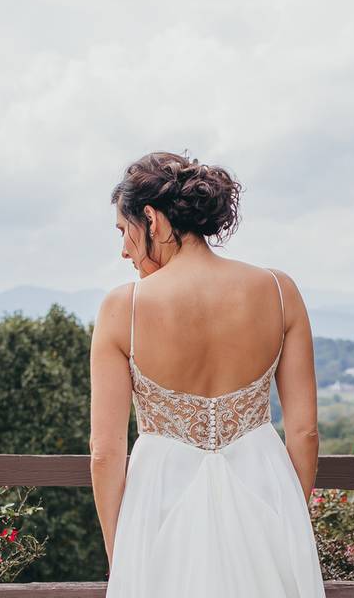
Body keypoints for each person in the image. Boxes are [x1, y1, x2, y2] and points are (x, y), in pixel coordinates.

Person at [89, 151, 326, 597]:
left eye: (124, 231)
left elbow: (105, 453)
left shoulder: (124, 309)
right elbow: (305, 431)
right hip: (265, 490)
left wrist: (122, 555)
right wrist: (291, 512)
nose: (123, 249)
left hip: (159, 504)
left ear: (153, 220)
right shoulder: (279, 291)